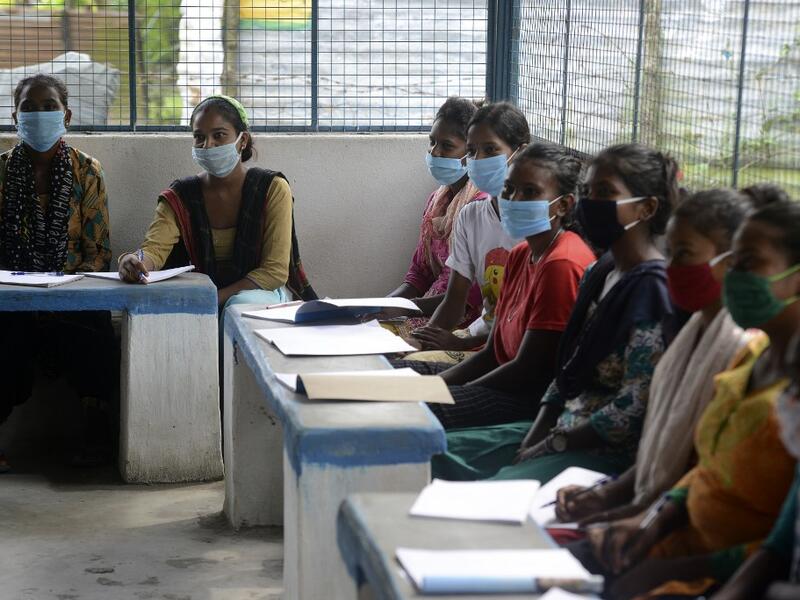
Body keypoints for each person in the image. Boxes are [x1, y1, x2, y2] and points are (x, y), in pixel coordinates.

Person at [584, 192, 800, 600]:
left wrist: (671, 566)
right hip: (676, 538)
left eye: (749, 262)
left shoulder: (776, 384)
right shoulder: (751, 359)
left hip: (719, 567)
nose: (733, 274)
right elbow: (706, 471)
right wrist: (652, 521)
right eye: (733, 261)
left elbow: (779, 544)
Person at [433, 143, 679, 481]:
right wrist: (538, 437)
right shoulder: (602, 271)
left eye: (605, 192)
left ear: (646, 208)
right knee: (432, 454)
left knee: (482, 483)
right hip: (557, 425)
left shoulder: (650, 289)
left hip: (599, 450)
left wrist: (554, 443)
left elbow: (632, 405)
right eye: (589, 190)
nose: (591, 202)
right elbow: (566, 372)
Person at [554, 189, 753, 526]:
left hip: (684, 520)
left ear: (731, 261)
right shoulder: (691, 334)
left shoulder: (740, 348)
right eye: (670, 252)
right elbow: (659, 448)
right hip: (643, 495)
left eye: (685, 254)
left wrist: (629, 514)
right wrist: (607, 494)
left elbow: (701, 466)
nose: (671, 266)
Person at [394, 142, 594, 430]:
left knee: (408, 410)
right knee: (393, 373)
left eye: (530, 192)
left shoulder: (561, 263)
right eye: (509, 189)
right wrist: (436, 384)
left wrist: (446, 392)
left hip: (527, 396)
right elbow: (492, 351)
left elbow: (527, 369)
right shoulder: (520, 254)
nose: (513, 200)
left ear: (563, 205)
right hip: (501, 374)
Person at [0, 74, 114, 471]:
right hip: (11, 298)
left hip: (73, 293)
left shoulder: (87, 171)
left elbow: (98, 251)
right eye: (28, 107)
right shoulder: (1, 172)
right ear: (15, 117)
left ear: (66, 114)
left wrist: (66, 288)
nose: (38, 114)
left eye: (49, 106)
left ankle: (98, 437)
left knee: (94, 331)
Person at [118, 95, 315, 307]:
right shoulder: (181, 196)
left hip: (260, 294)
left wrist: (215, 299)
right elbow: (154, 250)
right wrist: (133, 262)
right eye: (199, 137)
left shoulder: (271, 188)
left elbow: (274, 272)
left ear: (243, 140)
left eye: (219, 135)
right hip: (199, 295)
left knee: (239, 305)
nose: (208, 145)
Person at [406, 102, 533, 362]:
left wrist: (458, 341)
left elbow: (525, 324)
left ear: (520, 153)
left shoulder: (535, 225)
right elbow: (453, 301)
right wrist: (421, 341)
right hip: (476, 336)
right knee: (405, 361)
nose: (478, 161)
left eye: (490, 150)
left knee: (416, 375)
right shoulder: (471, 215)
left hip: (509, 348)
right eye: (473, 151)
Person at [386, 96, 487, 335]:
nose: (435, 152)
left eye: (447, 146)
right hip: (428, 308)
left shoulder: (479, 207)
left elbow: (469, 296)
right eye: (432, 142)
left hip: (462, 321)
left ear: (471, 151)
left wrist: (405, 308)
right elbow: (419, 274)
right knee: (369, 328)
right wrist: (384, 305)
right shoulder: (437, 201)